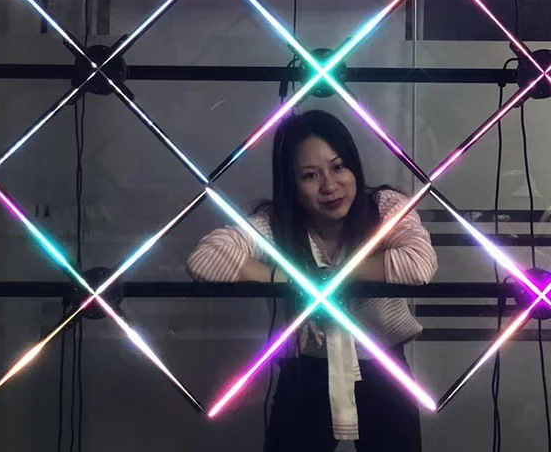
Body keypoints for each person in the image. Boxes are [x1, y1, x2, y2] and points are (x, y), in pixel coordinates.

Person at [187, 109, 438, 451]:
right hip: (306, 373)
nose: (329, 186)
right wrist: (295, 278)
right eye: (310, 175)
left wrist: (334, 276)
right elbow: (205, 259)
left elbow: (419, 264)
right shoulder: (276, 223)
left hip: (385, 370)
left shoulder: (384, 207)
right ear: (291, 184)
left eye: (338, 167)